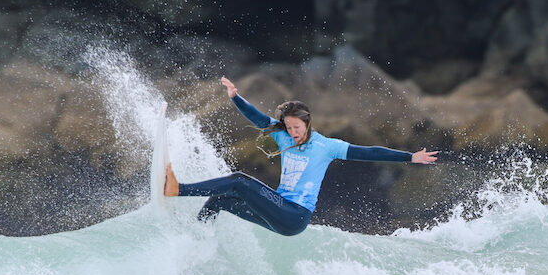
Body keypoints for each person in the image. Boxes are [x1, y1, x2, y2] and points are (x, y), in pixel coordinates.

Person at [164, 76, 438, 236]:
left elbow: (367, 152)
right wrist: (235, 97)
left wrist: (408, 157)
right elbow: (258, 118)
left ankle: (178, 189)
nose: (293, 132)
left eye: (297, 127)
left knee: (238, 180)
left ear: (308, 123)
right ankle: (193, 238)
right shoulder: (282, 133)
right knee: (220, 200)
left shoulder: (326, 146)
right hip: (279, 210)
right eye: (290, 127)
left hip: (295, 216)